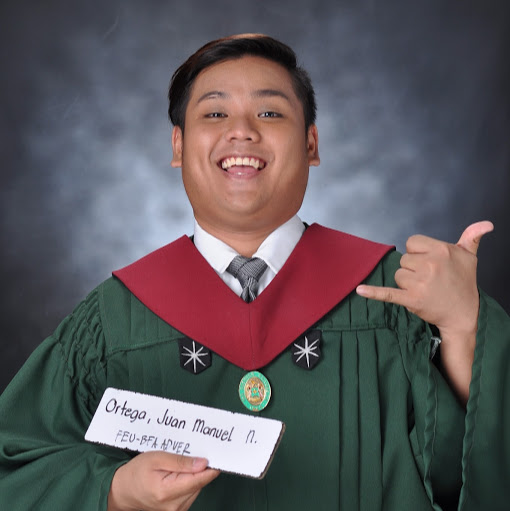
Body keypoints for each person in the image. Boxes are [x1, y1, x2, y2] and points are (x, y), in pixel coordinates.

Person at [0, 34, 508, 511]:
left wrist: (466, 326)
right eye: (215, 112)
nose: (241, 130)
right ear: (178, 146)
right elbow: (15, 466)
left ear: (311, 143)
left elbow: (464, 468)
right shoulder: (112, 319)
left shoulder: (397, 292)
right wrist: (113, 492)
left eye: (269, 112)